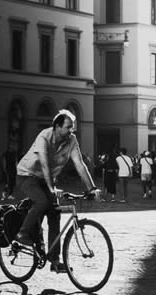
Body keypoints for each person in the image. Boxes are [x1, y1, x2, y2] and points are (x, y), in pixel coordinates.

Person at [13, 110, 100, 273]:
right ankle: (21, 234)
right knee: (42, 202)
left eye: (72, 127)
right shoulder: (44, 137)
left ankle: (54, 260)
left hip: (46, 179)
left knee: (55, 214)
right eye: (68, 127)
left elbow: (80, 164)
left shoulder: (71, 140)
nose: (71, 131)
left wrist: (91, 188)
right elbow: (45, 165)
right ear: (57, 126)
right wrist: (52, 189)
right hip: (27, 176)